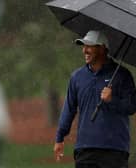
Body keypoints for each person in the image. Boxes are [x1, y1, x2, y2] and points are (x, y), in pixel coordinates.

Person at [53, 30, 136, 168]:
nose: (84, 50)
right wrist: (59, 137)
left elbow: (131, 107)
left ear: (102, 48)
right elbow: (69, 108)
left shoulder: (122, 75)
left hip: (115, 150)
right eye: (83, 46)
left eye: (89, 46)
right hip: (85, 149)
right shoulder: (77, 77)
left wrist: (112, 100)